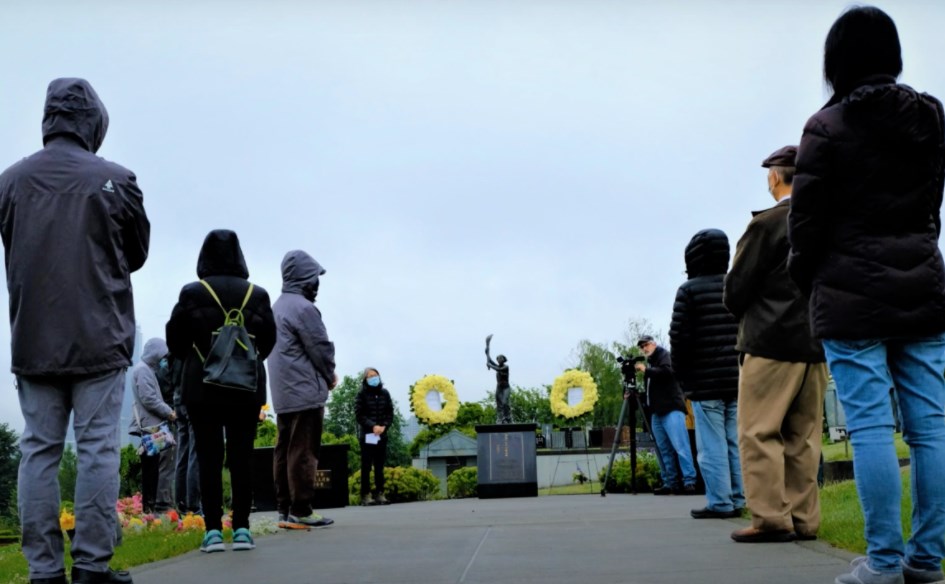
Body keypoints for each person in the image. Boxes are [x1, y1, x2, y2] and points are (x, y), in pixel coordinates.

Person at [789, 7, 945, 583]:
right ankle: (925, 561)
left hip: (848, 292)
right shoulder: (931, 115)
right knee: (932, 427)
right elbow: (932, 203)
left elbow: (804, 228)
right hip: (924, 283)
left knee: (874, 429)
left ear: (838, 61)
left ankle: (882, 565)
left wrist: (809, 281)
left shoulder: (824, 128)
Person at [0, 78, 149, 584]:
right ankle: (90, 566)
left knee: (38, 447)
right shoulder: (116, 179)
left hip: (34, 336)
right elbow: (138, 254)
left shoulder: (10, 182)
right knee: (97, 448)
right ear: (94, 121)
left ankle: (42, 572)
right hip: (99, 336)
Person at [723, 145, 828, 544]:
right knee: (803, 437)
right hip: (816, 342)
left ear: (775, 177)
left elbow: (736, 289)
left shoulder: (767, 224)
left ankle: (770, 518)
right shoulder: (825, 222)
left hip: (770, 341)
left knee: (759, 431)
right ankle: (805, 519)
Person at [166, 229, 275, 553]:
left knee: (208, 458)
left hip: (202, 389)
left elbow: (175, 342)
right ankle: (242, 528)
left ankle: (212, 530)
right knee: (242, 458)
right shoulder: (257, 295)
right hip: (245, 389)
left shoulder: (191, 293)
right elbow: (268, 342)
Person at [669, 229, 744, 519]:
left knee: (711, 445)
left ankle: (720, 502)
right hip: (738, 378)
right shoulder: (736, 284)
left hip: (705, 382)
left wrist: (682, 377)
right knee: (735, 442)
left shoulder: (689, 291)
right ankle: (739, 499)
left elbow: (679, 338)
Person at [268, 250, 337, 529]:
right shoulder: (303, 308)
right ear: (305, 278)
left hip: (283, 392)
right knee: (304, 451)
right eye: (314, 277)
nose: (316, 284)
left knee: (284, 450)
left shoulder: (277, 306)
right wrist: (330, 373)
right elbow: (319, 347)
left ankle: (284, 508)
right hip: (304, 390)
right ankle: (302, 508)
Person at [635, 336, 697, 495]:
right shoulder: (651, 362)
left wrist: (646, 370)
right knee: (663, 449)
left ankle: (690, 481)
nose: (644, 348)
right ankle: (670, 482)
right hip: (656, 411)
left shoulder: (663, 355)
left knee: (680, 446)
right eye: (642, 347)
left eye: (646, 344)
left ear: (654, 344)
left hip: (670, 409)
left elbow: (668, 372)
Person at [129, 338, 177, 514]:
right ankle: (150, 509)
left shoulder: (145, 369)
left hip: (152, 425)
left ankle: (150, 508)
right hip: (152, 427)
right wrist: (169, 412)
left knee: (153, 467)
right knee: (151, 468)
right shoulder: (143, 370)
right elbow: (149, 398)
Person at [354, 368, 394, 506]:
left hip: (382, 434)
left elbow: (390, 413)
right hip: (368, 435)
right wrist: (373, 426)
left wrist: (384, 426)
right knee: (366, 466)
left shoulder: (385, 393)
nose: (373, 378)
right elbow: (359, 415)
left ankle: (380, 493)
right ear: (365, 379)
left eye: (375, 375)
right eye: (370, 376)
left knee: (379, 465)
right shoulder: (361, 394)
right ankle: (365, 495)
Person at [169, 353, 201, 515]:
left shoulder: (175, 346)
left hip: (177, 398)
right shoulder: (194, 344)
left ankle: (180, 502)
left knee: (182, 453)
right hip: (192, 395)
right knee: (195, 453)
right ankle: (194, 504)